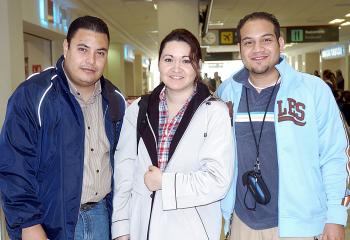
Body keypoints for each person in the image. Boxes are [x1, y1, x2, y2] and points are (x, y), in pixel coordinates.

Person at [217, 12, 349, 240]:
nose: (257, 49)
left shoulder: (313, 90)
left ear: (280, 43)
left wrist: (336, 217)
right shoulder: (227, 93)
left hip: (302, 225)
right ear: (240, 48)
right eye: (249, 42)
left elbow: (335, 155)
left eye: (266, 40)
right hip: (241, 222)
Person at [0, 16, 126, 240]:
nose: (91, 60)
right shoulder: (33, 95)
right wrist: (28, 225)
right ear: (66, 47)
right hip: (50, 221)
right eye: (83, 49)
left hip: (101, 218)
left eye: (100, 52)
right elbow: (14, 167)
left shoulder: (115, 100)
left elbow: (123, 166)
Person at [111, 29, 234, 240]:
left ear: (198, 66)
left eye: (186, 60)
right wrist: (121, 227)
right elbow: (125, 171)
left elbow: (218, 181)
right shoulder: (139, 110)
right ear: (159, 63)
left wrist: (165, 183)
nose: (176, 68)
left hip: (192, 230)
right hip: (144, 227)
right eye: (169, 59)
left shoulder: (214, 112)